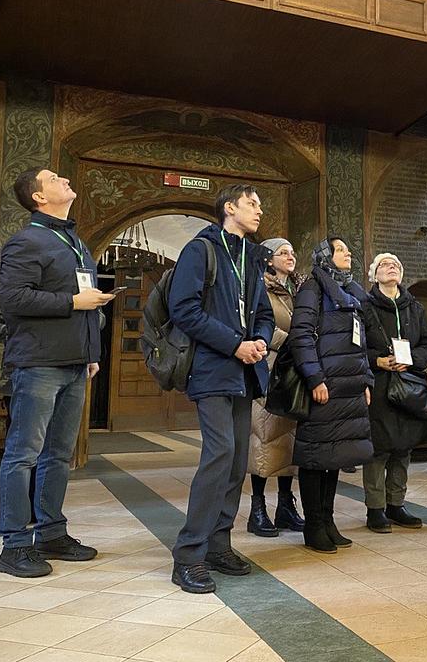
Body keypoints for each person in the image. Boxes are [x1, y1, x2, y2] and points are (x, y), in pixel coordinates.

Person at [0, 168, 113, 578]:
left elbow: (88, 305)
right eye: (54, 179)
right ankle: (14, 544)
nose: (63, 180)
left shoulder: (75, 242)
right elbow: (12, 298)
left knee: (59, 455)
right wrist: (73, 301)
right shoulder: (26, 240)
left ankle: (51, 533)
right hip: (39, 363)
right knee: (23, 455)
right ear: (38, 197)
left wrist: (91, 352)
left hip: (75, 363)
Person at [166, 184, 275, 594]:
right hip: (212, 369)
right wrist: (234, 344)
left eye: (259, 204)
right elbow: (184, 309)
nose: (259, 210)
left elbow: (264, 313)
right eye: (251, 203)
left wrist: (260, 339)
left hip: (245, 373)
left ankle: (218, 544)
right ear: (229, 208)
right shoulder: (201, 250)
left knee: (236, 460)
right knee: (219, 455)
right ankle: (188, 554)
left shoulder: (251, 256)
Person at [290, 237, 374, 553]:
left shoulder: (350, 292)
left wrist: (366, 381)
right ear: (325, 257)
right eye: (340, 249)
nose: (348, 253)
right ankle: (313, 525)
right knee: (316, 456)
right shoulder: (313, 288)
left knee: (335, 455)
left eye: (348, 249)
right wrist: (314, 378)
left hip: (348, 386)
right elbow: (301, 335)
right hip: (324, 385)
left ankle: (328, 520)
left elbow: (361, 343)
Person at [362, 253, 427, 533]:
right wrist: (377, 360)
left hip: (409, 384)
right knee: (378, 449)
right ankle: (375, 508)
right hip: (379, 384)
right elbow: (356, 345)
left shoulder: (414, 307)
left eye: (395, 265)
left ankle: (396, 504)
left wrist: (413, 359)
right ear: (374, 275)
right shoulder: (364, 306)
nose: (391, 267)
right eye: (384, 264)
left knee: (403, 447)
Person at [246, 237, 305, 537]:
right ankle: (257, 508)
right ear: (269, 259)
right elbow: (258, 326)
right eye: (283, 252)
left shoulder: (297, 289)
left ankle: (285, 505)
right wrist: (293, 341)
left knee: (289, 438)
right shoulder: (260, 288)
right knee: (263, 436)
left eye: (292, 252)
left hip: (293, 371)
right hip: (268, 368)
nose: (290, 257)